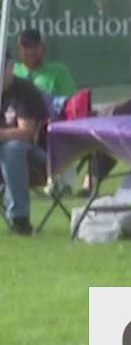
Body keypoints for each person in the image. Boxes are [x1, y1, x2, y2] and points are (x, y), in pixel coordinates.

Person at [0, 76, 50, 235]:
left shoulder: (24, 90)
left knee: (13, 149)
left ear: (10, 67)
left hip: (37, 153)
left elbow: (26, 133)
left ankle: (20, 219)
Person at [12, 28, 75, 99]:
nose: (30, 50)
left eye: (35, 46)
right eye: (26, 46)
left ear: (44, 48)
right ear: (18, 50)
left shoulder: (59, 71)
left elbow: (70, 102)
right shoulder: (11, 71)